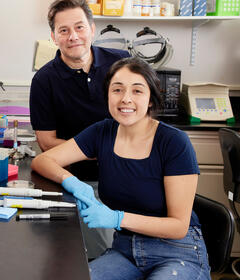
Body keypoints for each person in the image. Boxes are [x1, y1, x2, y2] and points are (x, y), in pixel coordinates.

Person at [31, 57, 210, 280]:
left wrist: (117, 219)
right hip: (126, 250)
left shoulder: (173, 142)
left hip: (176, 252)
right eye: (117, 90)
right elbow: (42, 161)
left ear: (151, 99)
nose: (126, 99)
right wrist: (71, 181)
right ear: (107, 95)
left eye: (137, 91)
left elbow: (178, 226)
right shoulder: (102, 132)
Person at [29, 0, 130, 258]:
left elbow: (143, 117)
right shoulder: (44, 80)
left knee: (136, 249)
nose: (73, 36)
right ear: (54, 37)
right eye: (63, 30)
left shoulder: (121, 64)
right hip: (80, 182)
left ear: (92, 29)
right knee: (99, 254)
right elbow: (47, 143)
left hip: (129, 174)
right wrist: (100, 150)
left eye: (79, 27)